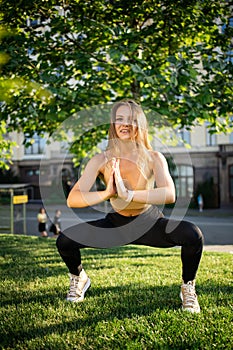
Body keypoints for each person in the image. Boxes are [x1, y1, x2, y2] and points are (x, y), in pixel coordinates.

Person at [56, 99, 204, 313]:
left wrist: (130, 194)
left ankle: (188, 287)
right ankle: (79, 278)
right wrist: (107, 193)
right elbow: (73, 199)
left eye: (131, 120)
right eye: (119, 119)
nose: (125, 124)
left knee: (192, 234)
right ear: (113, 124)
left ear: (140, 125)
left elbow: (170, 193)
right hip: (116, 223)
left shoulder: (154, 157)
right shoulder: (101, 159)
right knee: (65, 240)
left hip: (149, 222)